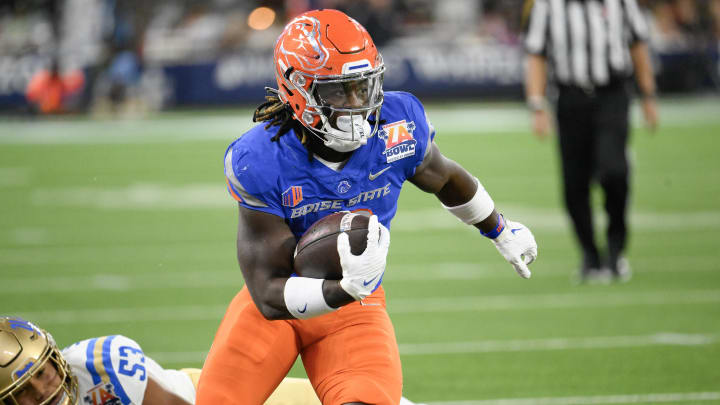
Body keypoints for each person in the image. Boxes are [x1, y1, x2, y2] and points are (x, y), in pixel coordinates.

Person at [197, 9, 538, 405]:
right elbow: (267, 295)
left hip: (357, 310)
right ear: (297, 89)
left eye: (363, 86)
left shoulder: (397, 124)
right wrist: (341, 288)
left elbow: (444, 177)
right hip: (284, 304)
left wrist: (498, 228)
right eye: (338, 91)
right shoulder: (260, 157)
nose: (356, 102)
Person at [523, 0, 658, 282]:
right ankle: (589, 255)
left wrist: (648, 95)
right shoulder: (548, 6)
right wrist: (536, 104)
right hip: (570, 98)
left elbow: (638, 44)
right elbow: (536, 53)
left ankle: (615, 249)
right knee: (574, 182)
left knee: (614, 171)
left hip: (612, 95)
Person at [0, 316, 351, 405]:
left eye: (41, 373)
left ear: (55, 359)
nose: (42, 392)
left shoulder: (101, 366)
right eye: (23, 393)